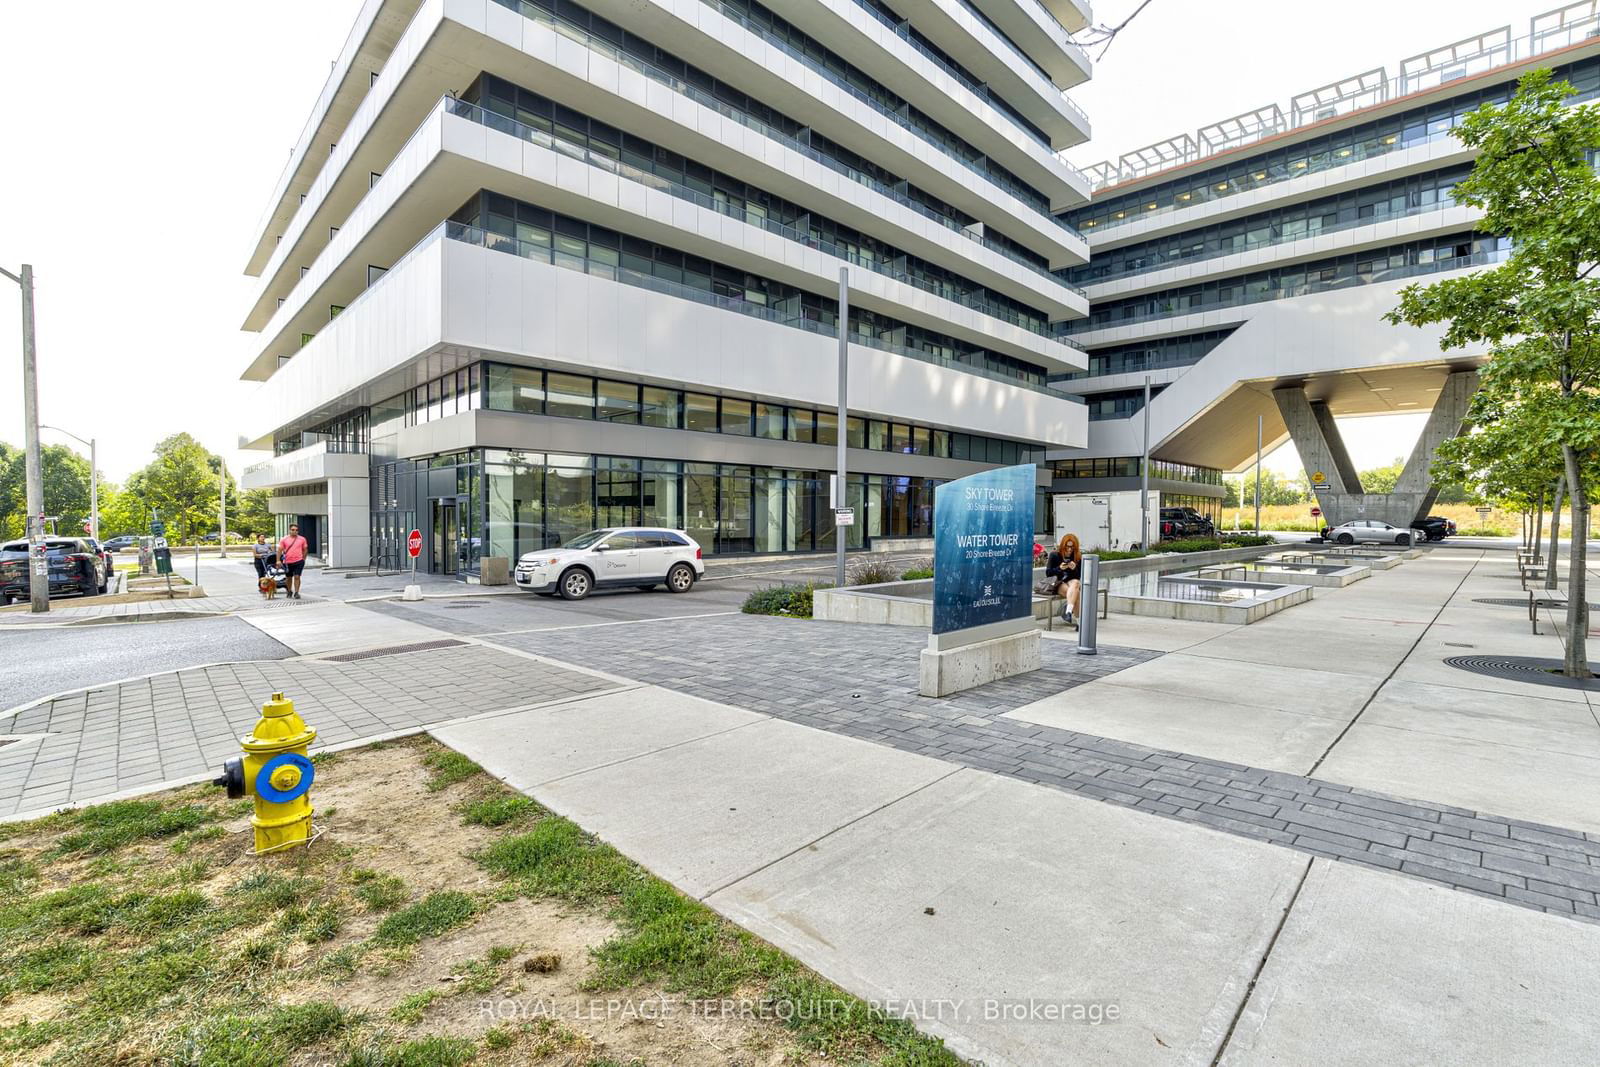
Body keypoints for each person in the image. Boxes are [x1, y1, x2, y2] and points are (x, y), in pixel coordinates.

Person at [1046, 532, 1082, 625]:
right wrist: (1059, 569)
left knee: (1076, 584)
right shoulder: (1054, 555)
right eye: (1067, 546)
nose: (1069, 549)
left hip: (1072, 582)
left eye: (1072, 547)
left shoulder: (1077, 557)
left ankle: (1068, 611)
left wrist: (1074, 568)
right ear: (1063, 545)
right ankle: (1079, 623)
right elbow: (1048, 573)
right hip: (1058, 583)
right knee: (1076, 594)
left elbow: (1078, 576)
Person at [277, 524, 310, 599]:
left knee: (297, 576)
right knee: (288, 578)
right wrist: (278, 560)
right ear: (289, 530)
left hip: (298, 561)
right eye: (293, 530)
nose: (294, 531)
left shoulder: (302, 539)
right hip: (287, 562)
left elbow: (305, 549)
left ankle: (296, 592)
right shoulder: (284, 539)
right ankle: (289, 591)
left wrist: (303, 559)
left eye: (296, 530)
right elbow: (279, 550)